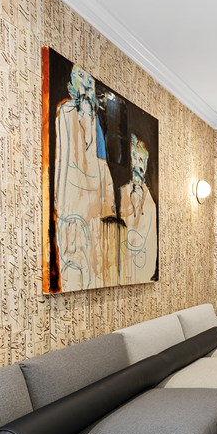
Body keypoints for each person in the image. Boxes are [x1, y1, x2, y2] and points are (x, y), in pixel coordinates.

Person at [53, 65, 115, 291]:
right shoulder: (66, 112)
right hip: (72, 198)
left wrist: (108, 207)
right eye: (80, 77)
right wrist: (60, 203)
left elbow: (102, 163)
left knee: (93, 259)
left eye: (89, 80)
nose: (87, 83)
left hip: (94, 202)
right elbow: (62, 155)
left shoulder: (98, 122)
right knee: (72, 254)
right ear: (73, 83)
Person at [118, 135, 158, 284]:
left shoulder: (151, 205)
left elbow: (151, 246)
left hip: (142, 269)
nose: (137, 165)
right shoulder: (118, 193)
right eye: (134, 157)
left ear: (146, 166)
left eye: (141, 160)